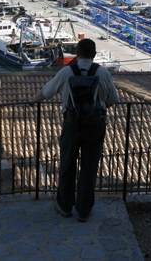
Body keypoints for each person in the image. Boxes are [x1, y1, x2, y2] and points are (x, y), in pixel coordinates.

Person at [28, 38, 119, 222]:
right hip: (95, 125)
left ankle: (64, 206)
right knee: (89, 166)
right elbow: (113, 100)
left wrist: (31, 101)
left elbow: (46, 92)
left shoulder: (66, 72)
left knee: (67, 164)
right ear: (94, 54)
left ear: (77, 54)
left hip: (71, 125)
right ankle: (84, 210)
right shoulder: (102, 73)